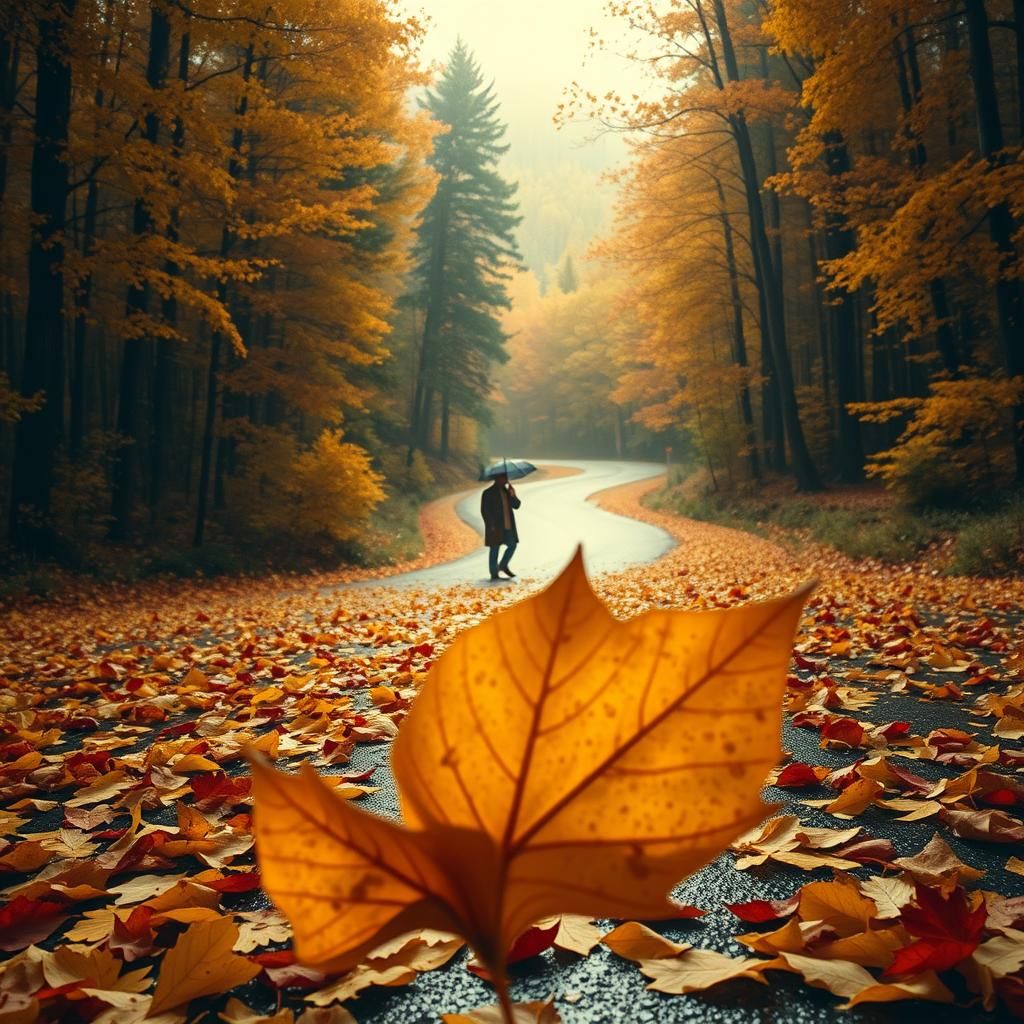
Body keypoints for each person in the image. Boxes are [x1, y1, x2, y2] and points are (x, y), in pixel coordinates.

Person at [480, 472, 521, 580]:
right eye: (504, 478)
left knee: (512, 545)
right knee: (495, 548)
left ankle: (503, 565)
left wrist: (513, 494)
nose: (506, 480)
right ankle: (494, 573)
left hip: (508, 525)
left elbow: (516, 506)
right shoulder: (488, 493)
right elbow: (485, 511)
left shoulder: (507, 492)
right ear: (497, 479)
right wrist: (490, 525)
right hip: (495, 526)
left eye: (506, 478)